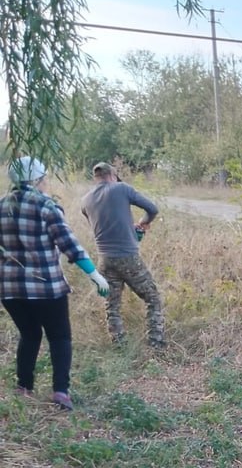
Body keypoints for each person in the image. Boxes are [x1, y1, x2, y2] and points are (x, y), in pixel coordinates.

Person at [0, 157, 108, 410]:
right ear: (38, 179)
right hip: (46, 287)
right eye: (44, 178)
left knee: (29, 334)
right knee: (60, 337)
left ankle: (24, 386)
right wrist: (95, 275)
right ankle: (60, 391)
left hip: (10, 289)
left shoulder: (1, 206)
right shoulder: (46, 206)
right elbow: (70, 246)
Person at [80, 162, 164, 347]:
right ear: (113, 175)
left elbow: (101, 228)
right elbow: (152, 209)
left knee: (112, 305)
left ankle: (118, 344)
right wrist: (142, 223)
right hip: (127, 257)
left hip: (104, 258)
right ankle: (156, 342)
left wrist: (129, 229)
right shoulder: (122, 188)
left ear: (96, 178)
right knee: (153, 298)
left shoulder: (85, 201)